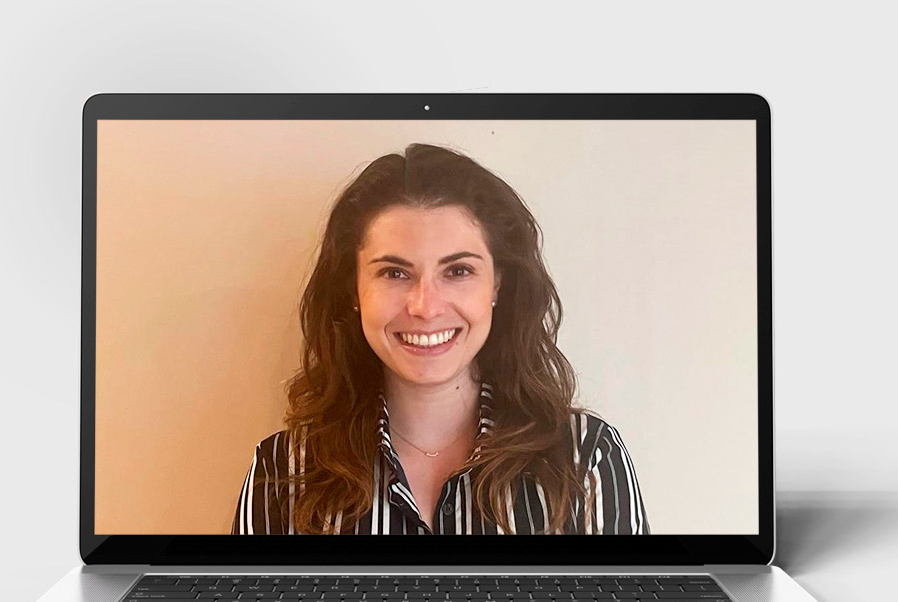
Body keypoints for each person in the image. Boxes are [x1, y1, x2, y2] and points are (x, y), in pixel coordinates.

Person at [232, 143, 648, 535]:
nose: (425, 307)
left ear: (497, 283)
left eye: (458, 271)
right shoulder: (284, 473)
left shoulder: (585, 459)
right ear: (353, 289)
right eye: (394, 273)